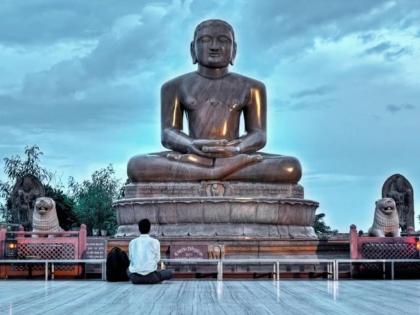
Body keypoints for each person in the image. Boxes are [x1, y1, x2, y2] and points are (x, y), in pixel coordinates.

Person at [127, 19, 302, 183]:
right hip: (193, 156)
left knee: (290, 167)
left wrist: (237, 149)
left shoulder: (252, 87)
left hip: (231, 155)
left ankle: (208, 171)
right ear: (192, 49)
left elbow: (258, 134)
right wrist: (190, 145)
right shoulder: (174, 86)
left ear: (234, 49)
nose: (214, 47)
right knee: (137, 165)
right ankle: (213, 173)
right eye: (205, 40)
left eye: (223, 40)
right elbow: (168, 133)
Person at [128, 219, 172, 284]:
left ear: (139, 229)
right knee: (168, 273)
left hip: (135, 278)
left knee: (127, 270)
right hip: (151, 277)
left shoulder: (132, 242)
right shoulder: (155, 242)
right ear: (149, 229)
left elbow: (130, 258)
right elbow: (157, 259)